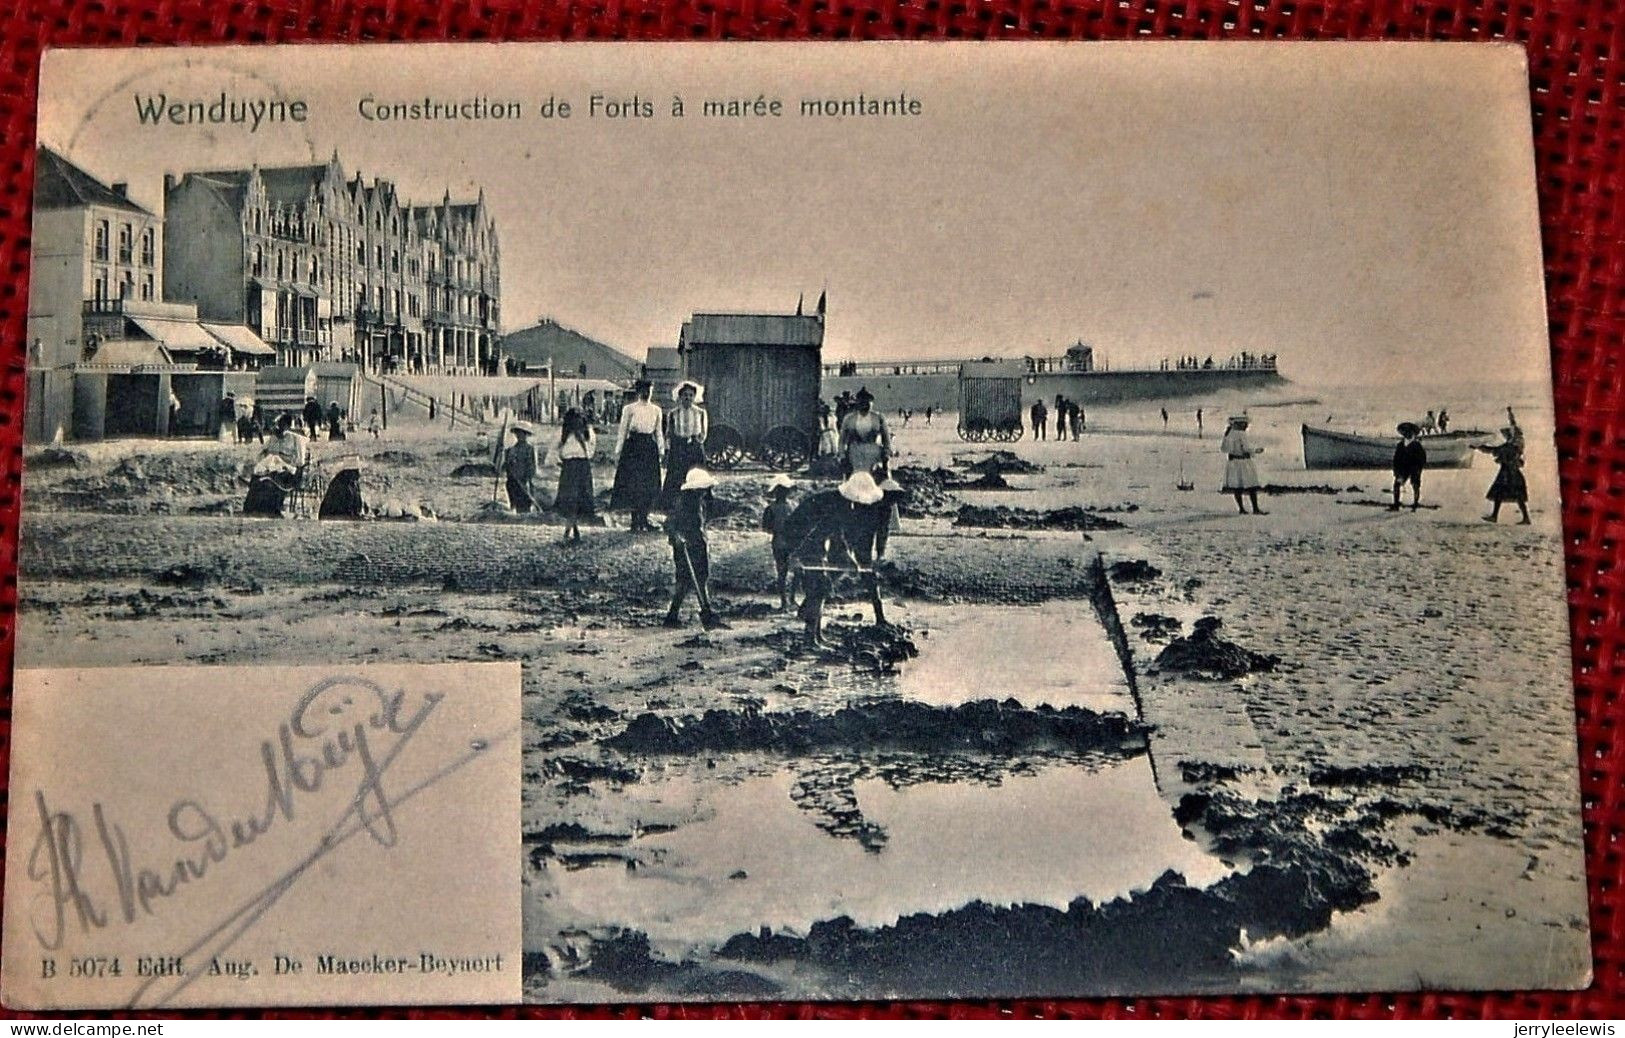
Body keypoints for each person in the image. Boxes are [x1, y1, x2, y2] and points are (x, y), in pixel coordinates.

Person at [664, 467, 728, 630]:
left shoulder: (699, 502)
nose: (705, 491)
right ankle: (672, 615)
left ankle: (706, 611)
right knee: (684, 581)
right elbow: (669, 524)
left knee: (701, 578)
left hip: (698, 544)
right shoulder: (681, 503)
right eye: (703, 488)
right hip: (686, 548)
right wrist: (677, 537)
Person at [611, 379, 665, 533]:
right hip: (633, 448)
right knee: (634, 484)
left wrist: (661, 450)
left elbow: (659, 432)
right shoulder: (629, 409)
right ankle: (635, 521)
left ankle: (644, 519)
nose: (646, 393)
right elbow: (622, 431)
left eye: (649, 390)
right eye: (643, 390)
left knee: (648, 484)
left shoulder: (656, 410)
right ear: (638, 391)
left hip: (649, 447)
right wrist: (618, 451)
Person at [243, 414, 309, 516]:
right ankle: (253, 506)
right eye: (279, 425)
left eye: (283, 425)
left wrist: (286, 463)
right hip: (272, 464)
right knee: (259, 477)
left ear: (288, 425)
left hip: (288, 468)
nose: (280, 428)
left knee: (273, 478)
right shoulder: (274, 437)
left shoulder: (296, 438)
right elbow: (263, 451)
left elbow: (300, 461)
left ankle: (273, 507)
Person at [550, 409, 597, 543]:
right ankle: (571, 531)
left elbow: (591, 450)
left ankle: (571, 531)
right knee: (571, 500)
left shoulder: (587, 432)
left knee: (578, 500)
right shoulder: (564, 433)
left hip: (581, 466)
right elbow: (554, 449)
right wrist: (559, 461)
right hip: (570, 467)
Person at [661, 380, 709, 508]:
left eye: (690, 395)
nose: (688, 398)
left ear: (694, 397)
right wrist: (669, 448)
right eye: (685, 395)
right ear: (680, 397)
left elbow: (704, 432)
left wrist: (696, 441)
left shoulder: (700, 413)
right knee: (676, 476)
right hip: (678, 448)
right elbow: (669, 433)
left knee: (696, 474)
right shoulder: (673, 413)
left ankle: (698, 503)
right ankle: (673, 505)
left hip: (694, 448)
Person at [1478, 427, 1531, 524]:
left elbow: (1494, 450)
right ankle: (1525, 518)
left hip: (1507, 474)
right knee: (1513, 496)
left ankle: (1495, 516)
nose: (1504, 436)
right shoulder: (1516, 447)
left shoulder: (1509, 447)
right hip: (1512, 473)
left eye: (1505, 435)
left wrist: (1479, 447)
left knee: (1500, 493)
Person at [760, 473, 796, 610]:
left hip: (780, 542)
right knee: (792, 572)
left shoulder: (771, 509)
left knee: (783, 572)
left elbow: (766, 527)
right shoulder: (793, 507)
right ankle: (789, 600)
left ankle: (785, 602)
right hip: (790, 543)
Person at [1220, 414, 1267, 515]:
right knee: (1251, 485)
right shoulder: (1241, 434)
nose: (1247, 426)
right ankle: (1255, 508)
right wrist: (1256, 450)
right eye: (1245, 424)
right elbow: (1246, 449)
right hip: (1243, 462)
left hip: (1232, 462)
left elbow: (1223, 449)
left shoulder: (1229, 434)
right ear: (1240, 424)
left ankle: (1241, 509)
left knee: (1237, 487)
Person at [839, 387, 890, 477]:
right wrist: (842, 456)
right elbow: (842, 439)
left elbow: (886, 439)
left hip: (873, 452)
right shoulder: (849, 418)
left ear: (871, 403)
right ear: (857, 403)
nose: (864, 405)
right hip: (854, 453)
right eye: (861, 402)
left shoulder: (878, 417)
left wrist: (886, 455)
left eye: (867, 402)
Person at [1389, 422, 1427, 512]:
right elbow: (1396, 459)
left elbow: (1422, 459)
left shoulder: (1417, 445)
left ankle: (1415, 503)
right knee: (1396, 485)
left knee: (1415, 485)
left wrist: (1418, 469)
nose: (1407, 433)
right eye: (1405, 432)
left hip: (1414, 469)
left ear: (1413, 433)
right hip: (1403, 470)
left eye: (1409, 432)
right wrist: (1396, 471)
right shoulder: (1400, 445)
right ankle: (1396, 504)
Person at [502, 421, 538, 513]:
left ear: (526, 435)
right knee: (515, 502)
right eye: (517, 433)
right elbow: (505, 466)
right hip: (513, 481)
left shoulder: (529, 449)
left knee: (525, 504)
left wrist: (528, 479)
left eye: (522, 433)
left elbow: (531, 466)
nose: (519, 436)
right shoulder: (511, 450)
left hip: (523, 481)